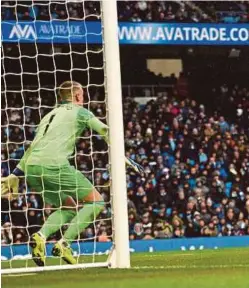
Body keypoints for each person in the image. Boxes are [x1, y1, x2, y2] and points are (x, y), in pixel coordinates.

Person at [1, 81, 144, 266]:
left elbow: (32, 146)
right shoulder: (80, 112)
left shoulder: (48, 116)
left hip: (31, 168)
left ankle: (41, 236)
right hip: (54, 165)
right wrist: (121, 155)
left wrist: (15, 174)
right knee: (97, 201)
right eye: (82, 95)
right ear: (77, 96)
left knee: (69, 206)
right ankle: (64, 244)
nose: (83, 98)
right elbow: (105, 130)